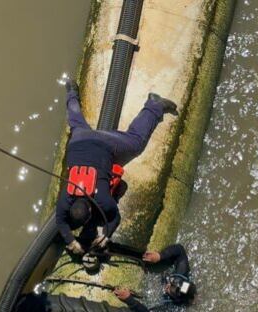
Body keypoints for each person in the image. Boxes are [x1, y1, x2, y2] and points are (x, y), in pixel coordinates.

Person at [56, 79, 178, 256]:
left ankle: (154, 105)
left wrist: (105, 235)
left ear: (91, 210)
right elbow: (60, 219)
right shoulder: (67, 196)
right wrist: (71, 240)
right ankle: (71, 92)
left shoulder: (101, 198)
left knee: (136, 142)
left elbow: (114, 217)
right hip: (79, 140)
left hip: (105, 144)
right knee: (75, 121)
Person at [113, 243, 196, 312]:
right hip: (174, 278)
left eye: (170, 290)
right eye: (172, 283)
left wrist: (130, 300)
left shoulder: (168, 307)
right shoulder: (182, 274)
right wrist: (160, 256)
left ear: (175, 299)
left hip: (178, 301)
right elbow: (180, 249)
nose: (168, 286)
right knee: (153, 260)